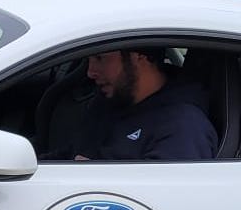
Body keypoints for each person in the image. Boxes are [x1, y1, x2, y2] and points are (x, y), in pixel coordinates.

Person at [76, 48, 219, 161]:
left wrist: (93, 175)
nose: (90, 72)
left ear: (139, 56)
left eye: (100, 58)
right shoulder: (109, 102)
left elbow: (168, 187)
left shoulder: (183, 127)